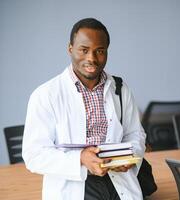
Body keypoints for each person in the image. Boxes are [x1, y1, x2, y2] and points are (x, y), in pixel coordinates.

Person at [22, 18, 146, 200]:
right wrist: (80, 158)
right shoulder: (45, 95)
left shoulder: (120, 89)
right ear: (70, 48)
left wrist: (128, 157)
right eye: (84, 50)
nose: (92, 58)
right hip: (73, 187)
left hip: (119, 183)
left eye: (100, 51)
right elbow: (34, 155)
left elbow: (136, 134)